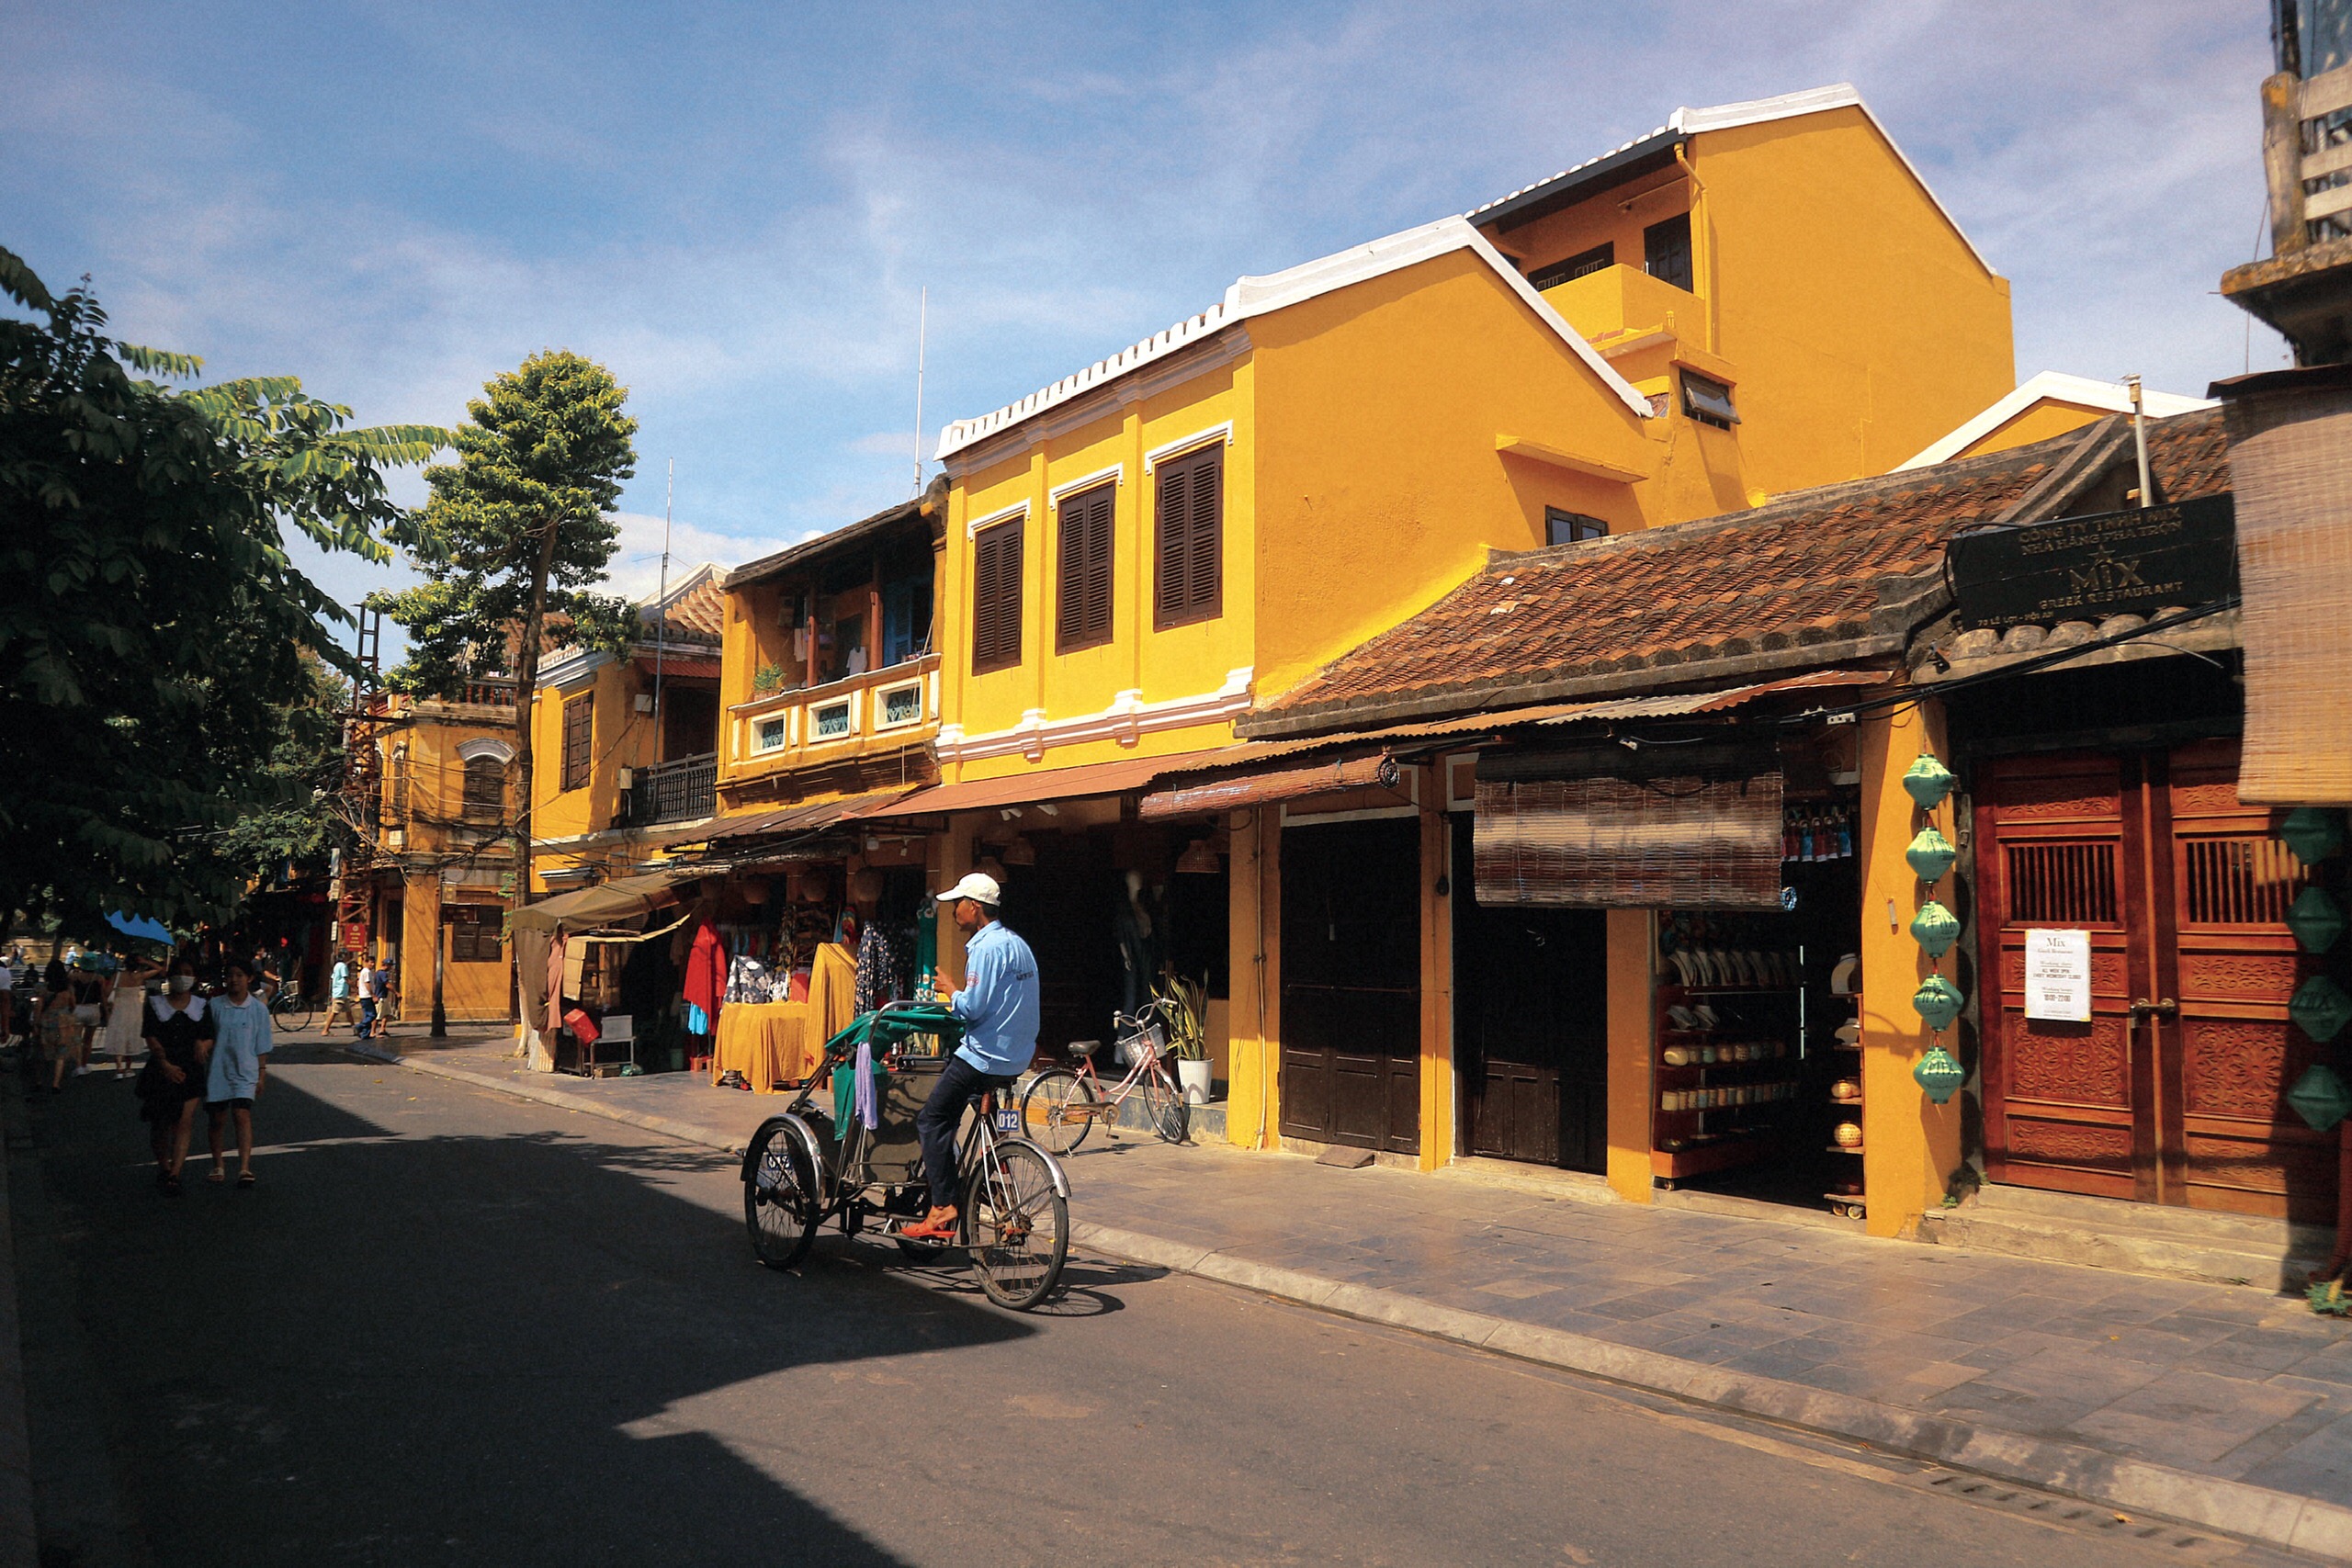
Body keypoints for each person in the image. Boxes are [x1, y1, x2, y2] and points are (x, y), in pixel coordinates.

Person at [903, 874, 1039, 1243]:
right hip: (1016, 1057)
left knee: (932, 1119)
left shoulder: (984, 948)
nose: (954, 911)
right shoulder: (1018, 945)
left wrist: (952, 991)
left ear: (974, 907)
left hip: (983, 1057)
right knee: (973, 1115)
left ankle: (943, 1204)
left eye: (957, 904)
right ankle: (994, 1189)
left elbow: (973, 1008)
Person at [137, 958, 213, 1194]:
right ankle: (164, 1165)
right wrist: (164, 1064)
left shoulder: (202, 1006)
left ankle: (175, 1173)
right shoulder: (155, 1004)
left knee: (183, 1121)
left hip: (191, 1069)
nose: (183, 977)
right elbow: (150, 1036)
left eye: (188, 972)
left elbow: (209, 1034)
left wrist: (203, 1044)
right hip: (162, 1068)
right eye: (178, 972)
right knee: (160, 1122)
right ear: (169, 977)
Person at [204, 957, 272, 1187]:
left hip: (246, 1071)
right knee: (217, 1119)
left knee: (241, 1115)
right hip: (218, 1070)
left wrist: (261, 1074)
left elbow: (262, 1044)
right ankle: (218, 1164)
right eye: (230, 975)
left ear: (249, 978)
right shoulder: (215, 1006)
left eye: (239, 975)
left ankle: (244, 1167)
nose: (234, 980)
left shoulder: (258, 1009)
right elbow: (207, 1037)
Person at [102, 954, 161, 1079]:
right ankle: (128, 1067)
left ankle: (119, 1068)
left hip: (119, 1008)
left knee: (119, 1035)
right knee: (131, 1035)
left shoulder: (117, 976)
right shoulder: (139, 976)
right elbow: (158, 969)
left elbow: (106, 992)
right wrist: (145, 961)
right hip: (135, 1008)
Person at [36, 981, 79, 1093]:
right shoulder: (68, 990)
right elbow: (73, 1005)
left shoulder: (42, 989)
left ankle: (39, 1081)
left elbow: (39, 1006)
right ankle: (56, 1084)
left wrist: (36, 1023)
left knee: (44, 1053)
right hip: (63, 1025)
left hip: (47, 1024)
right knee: (61, 1054)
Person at [323, 953, 356, 1033]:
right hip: (340, 993)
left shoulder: (337, 966)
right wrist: (354, 986)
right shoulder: (343, 966)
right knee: (334, 1012)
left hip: (341, 993)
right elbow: (346, 978)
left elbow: (333, 977)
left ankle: (355, 1029)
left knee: (348, 1012)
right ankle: (325, 1030)